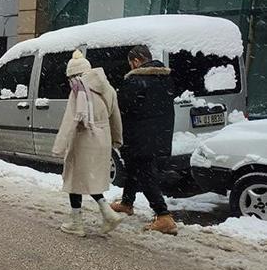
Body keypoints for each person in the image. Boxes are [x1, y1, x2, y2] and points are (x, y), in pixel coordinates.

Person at [52, 50, 124, 236]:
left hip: (83, 138)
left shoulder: (78, 90)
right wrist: (117, 139)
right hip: (103, 138)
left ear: (73, 75)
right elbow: (115, 117)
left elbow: (69, 121)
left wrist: (59, 146)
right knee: (90, 179)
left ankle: (76, 222)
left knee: (75, 179)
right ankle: (108, 213)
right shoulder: (107, 87)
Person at [111, 45, 177, 235]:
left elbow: (121, 108)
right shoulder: (165, 79)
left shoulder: (136, 81)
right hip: (160, 134)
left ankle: (164, 216)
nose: (130, 67)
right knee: (133, 168)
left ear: (137, 61)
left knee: (145, 174)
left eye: (130, 63)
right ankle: (127, 202)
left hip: (139, 136)